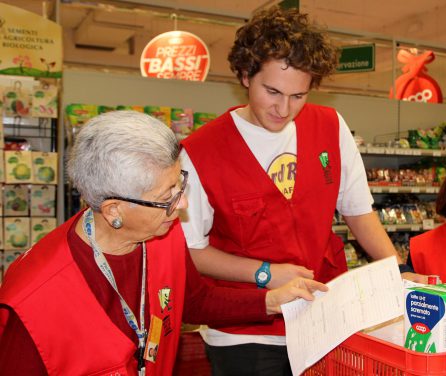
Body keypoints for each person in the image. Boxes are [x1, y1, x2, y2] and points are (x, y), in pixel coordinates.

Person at [179, 6, 422, 375]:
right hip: (245, 332)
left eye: (298, 96)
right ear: (245, 75)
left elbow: (358, 210)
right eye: (272, 91)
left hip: (323, 319)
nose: (283, 109)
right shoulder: (201, 151)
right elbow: (193, 250)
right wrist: (264, 273)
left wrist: (396, 270)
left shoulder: (329, 126)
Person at [0, 111, 327, 375]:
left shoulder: (160, 235)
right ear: (114, 210)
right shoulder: (34, 303)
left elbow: (194, 301)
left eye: (179, 184)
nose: (182, 204)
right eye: (165, 197)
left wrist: (272, 301)